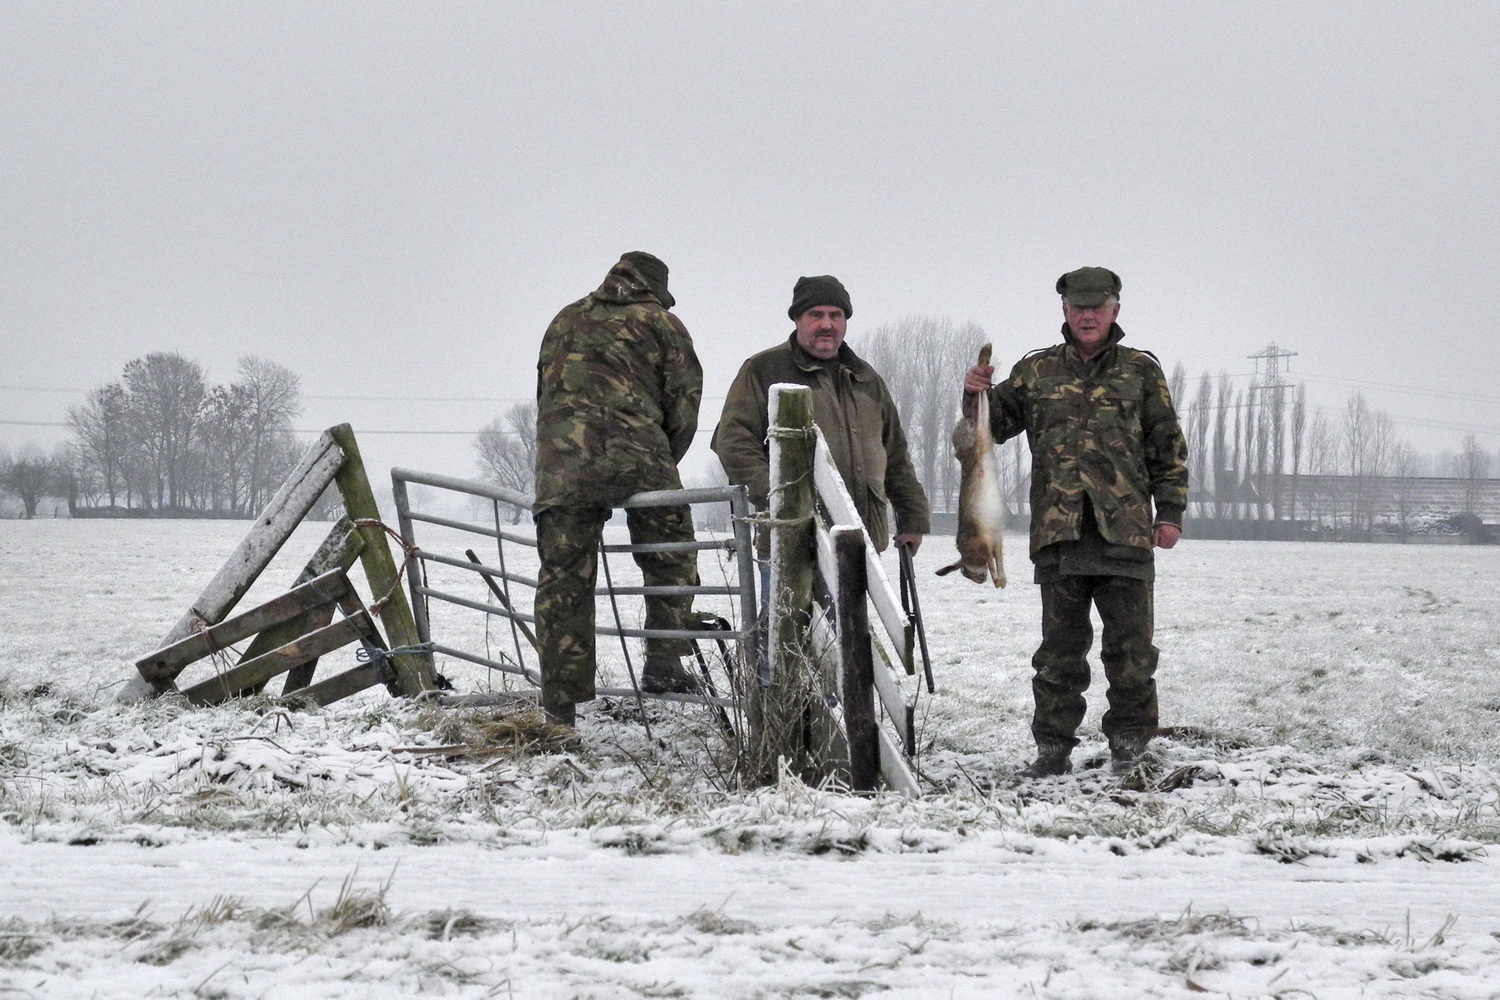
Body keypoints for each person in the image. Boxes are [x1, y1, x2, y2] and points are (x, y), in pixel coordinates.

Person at [963, 266, 1188, 777]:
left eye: (1098, 306)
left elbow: (1167, 446)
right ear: (1064, 311)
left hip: (1126, 535)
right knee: (1059, 657)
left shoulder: (1141, 371)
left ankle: (1130, 747)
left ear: (1115, 310)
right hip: (1058, 535)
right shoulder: (1036, 370)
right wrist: (975, 392)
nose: (1088, 316)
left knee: (1131, 653)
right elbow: (989, 428)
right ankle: (1052, 752)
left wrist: (1169, 512)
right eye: (1078, 307)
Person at [533, 251, 703, 727]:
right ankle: (665, 664)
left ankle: (559, 709)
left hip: (563, 465)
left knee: (564, 579)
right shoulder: (663, 324)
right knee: (671, 552)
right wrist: (661, 456)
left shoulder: (563, 319)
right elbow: (684, 403)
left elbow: (546, 394)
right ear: (655, 289)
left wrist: (561, 457)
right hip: (641, 457)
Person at [713, 274, 931, 557]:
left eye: (835, 315)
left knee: (854, 604)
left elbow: (896, 455)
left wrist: (912, 517)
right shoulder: (763, 370)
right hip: (790, 544)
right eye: (816, 314)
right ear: (797, 319)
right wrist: (783, 500)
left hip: (860, 545)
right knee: (790, 604)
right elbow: (733, 442)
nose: (827, 324)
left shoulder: (866, 378)